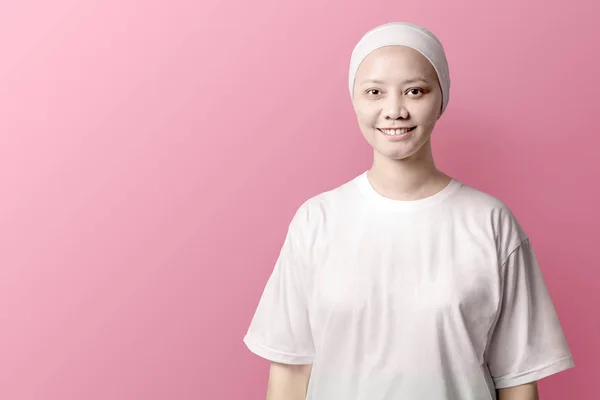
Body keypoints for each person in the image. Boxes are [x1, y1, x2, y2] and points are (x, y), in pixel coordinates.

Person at [242, 21, 574, 400]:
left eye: (415, 91)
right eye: (374, 92)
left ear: (441, 98)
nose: (394, 110)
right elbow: (290, 372)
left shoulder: (490, 223)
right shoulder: (317, 221)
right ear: (355, 100)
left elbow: (517, 379)